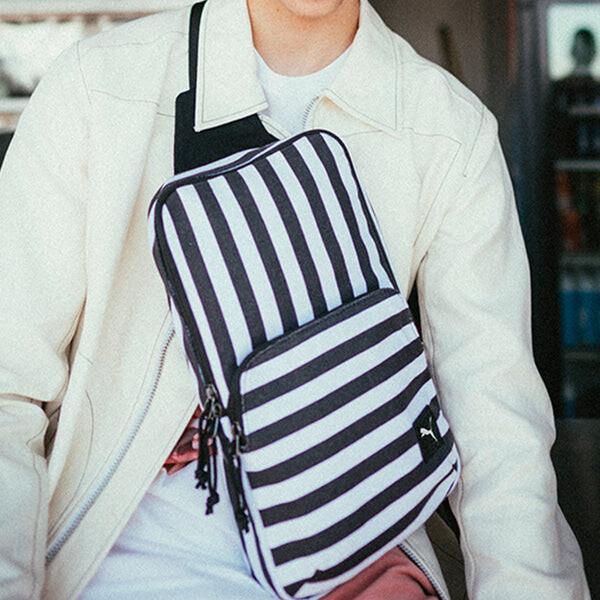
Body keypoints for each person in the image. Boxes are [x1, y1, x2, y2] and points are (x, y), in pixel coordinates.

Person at [0, 0, 590, 598]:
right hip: (120, 567)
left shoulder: (449, 131)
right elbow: (8, 387)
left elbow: (498, 431)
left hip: (358, 551)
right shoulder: (99, 89)